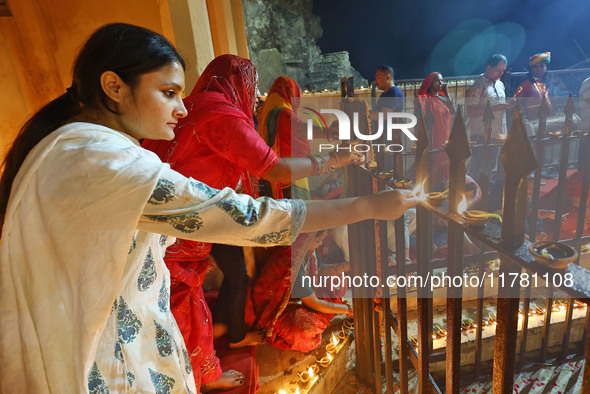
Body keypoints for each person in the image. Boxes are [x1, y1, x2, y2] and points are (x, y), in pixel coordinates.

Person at [0, 23, 418, 393]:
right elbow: (249, 213)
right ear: (113, 87)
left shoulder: (77, 146)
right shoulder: (109, 162)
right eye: (168, 93)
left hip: (87, 326)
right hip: (89, 354)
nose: (182, 108)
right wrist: (366, 204)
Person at [141, 55, 362, 388]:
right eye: (254, 86)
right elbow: (273, 168)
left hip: (173, 222)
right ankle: (203, 372)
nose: (256, 96)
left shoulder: (194, 107)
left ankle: (206, 363)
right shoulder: (222, 114)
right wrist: (333, 160)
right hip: (184, 230)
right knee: (184, 304)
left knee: (183, 301)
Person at [251, 231, 351, 352]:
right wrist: (347, 309)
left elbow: (320, 268)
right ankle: (322, 313)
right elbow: (314, 303)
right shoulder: (295, 264)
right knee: (307, 333)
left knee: (338, 281)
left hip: (302, 297)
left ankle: (326, 311)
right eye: (318, 241)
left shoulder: (307, 248)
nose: (320, 244)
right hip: (279, 307)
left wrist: (345, 267)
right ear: (306, 239)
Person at [466, 54, 515, 182]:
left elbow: (499, 105)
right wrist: (495, 108)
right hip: (482, 133)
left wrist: (508, 103)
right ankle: (475, 194)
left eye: (503, 70)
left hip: (497, 133)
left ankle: (486, 191)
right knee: (478, 168)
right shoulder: (477, 85)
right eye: (499, 70)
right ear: (489, 68)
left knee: (490, 166)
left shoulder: (500, 85)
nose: (501, 73)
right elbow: (471, 111)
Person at [416, 72, 456, 187]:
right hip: (433, 135)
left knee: (444, 159)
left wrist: (447, 93)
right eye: (438, 81)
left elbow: (453, 111)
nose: (441, 83)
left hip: (445, 134)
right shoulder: (424, 99)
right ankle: (432, 187)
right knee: (433, 160)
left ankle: (443, 186)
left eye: (441, 81)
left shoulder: (443, 98)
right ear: (430, 83)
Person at [370, 65, 405, 171]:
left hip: (389, 139)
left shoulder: (393, 93)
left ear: (388, 77)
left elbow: (382, 116)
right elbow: (376, 112)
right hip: (382, 138)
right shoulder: (384, 95)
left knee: (387, 169)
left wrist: (365, 113)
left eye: (378, 76)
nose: (376, 80)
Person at [514, 52, 553, 120]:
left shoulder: (548, 83)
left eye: (542, 66)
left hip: (550, 121)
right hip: (533, 123)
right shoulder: (525, 84)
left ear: (546, 67)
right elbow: (515, 103)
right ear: (531, 69)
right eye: (536, 67)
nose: (539, 69)